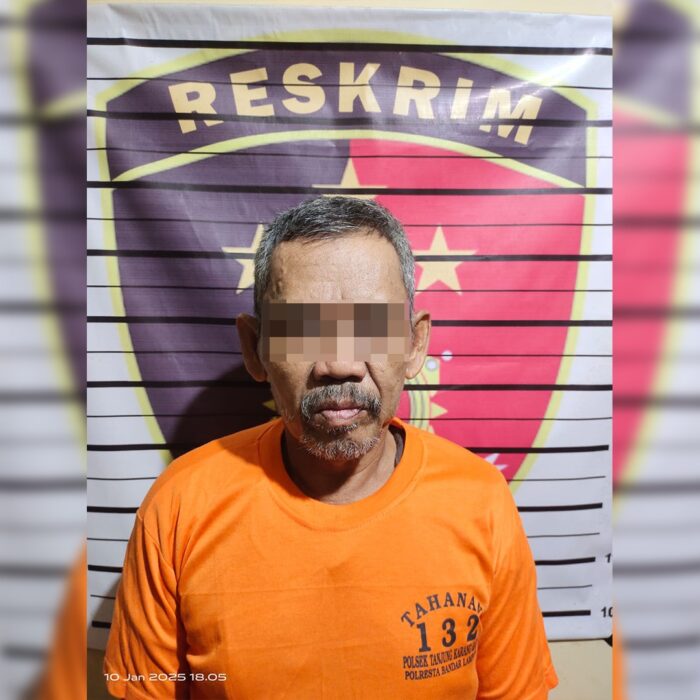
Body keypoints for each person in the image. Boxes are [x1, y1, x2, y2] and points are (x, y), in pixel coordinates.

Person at [103, 196, 558, 699]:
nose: (340, 363)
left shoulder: (480, 501)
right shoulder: (180, 506)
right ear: (254, 348)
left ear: (414, 345)